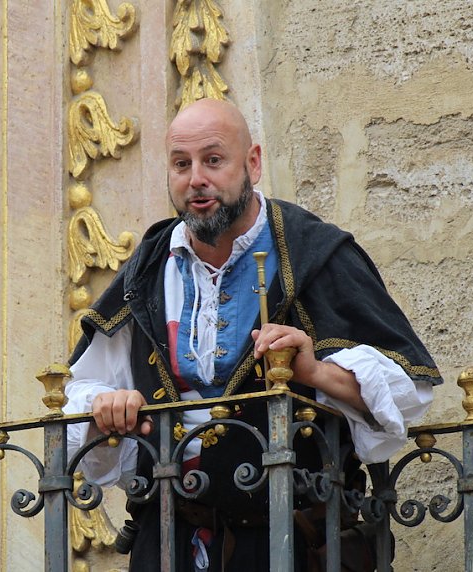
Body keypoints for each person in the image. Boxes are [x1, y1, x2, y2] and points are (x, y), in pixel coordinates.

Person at [63, 98, 442, 571]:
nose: (196, 178)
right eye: (181, 164)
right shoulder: (149, 266)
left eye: (213, 160)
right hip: (168, 541)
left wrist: (314, 371)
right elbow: (80, 392)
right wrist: (106, 405)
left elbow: (409, 391)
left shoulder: (312, 251)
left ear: (253, 163)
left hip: (291, 539)